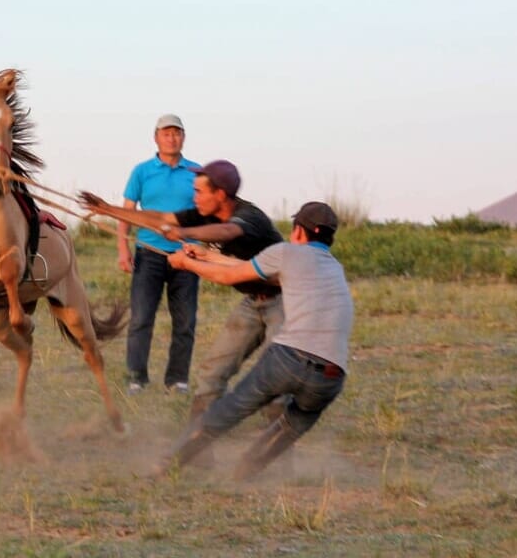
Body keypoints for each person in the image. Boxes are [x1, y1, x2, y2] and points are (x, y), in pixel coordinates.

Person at [153, 202, 353, 480]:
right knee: (289, 428)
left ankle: (168, 466)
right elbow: (250, 267)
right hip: (332, 375)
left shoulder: (286, 253)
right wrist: (204, 254)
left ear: (297, 231)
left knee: (228, 411)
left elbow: (231, 276)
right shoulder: (334, 268)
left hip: (289, 360)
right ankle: (243, 476)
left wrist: (186, 263)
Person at [82, 160, 283, 423]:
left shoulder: (248, 217)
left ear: (220, 194)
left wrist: (183, 233)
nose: (194, 197)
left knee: (275, 374)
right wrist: (109, 210)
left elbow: (227, 231)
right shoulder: (204, 213)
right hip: (251, 302)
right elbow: (160, 219)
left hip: (285, 301)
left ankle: (279, 440)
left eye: (200, 192)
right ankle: (199, 436)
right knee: (213, 370)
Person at [114, 114, 201, 394]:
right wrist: (123, 250)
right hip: (149, 253)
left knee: (185, 321)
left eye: (176, 133)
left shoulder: (197, 172)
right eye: (166, 133)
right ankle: (136, 378)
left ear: (183, 138)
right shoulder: (141, 171)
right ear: (156, 138)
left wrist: (203, 246)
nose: (171, 138)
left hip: (186, 256)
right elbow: (126, 212)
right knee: (141, 318)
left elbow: (207, 214)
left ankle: (177, 380)